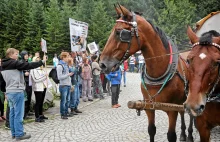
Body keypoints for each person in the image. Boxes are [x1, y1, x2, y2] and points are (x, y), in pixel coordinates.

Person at [1, 48, 46, 140]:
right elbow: (28, 65)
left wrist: (5, 91)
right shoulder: (14, 63)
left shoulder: (2, 65)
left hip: (9, 92)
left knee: (13, 113)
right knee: (18, 114)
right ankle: (19, 134)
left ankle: (14, 132)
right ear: (10, 55)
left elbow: (1, 82)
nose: (18, 56)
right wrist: (41, 62)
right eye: (16, 54)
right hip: (17, 91)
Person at [30, 57, 49, 122]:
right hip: (38, 88)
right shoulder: (33, 69)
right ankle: (37, 116)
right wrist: (44, 77)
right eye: (37, 61)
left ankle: (41, 114)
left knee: (41, 101)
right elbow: (36, 79)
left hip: (43, 87)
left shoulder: (41, 69)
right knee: (38, 102)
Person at [57, 52, 74, 119]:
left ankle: (66, 112)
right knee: (63, 100)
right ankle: (62, 113)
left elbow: (71, 72)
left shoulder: (66, 65)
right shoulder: (60, 66)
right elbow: (59, 77)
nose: (68, 58)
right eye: (67, 57)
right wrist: (68, 75)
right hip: (63, 85)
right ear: (63, 57)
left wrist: (71, 84)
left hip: (68, 84)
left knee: (68, 100)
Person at [19, 51, 33, 119]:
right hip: (24, 82)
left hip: (29, 81)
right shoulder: (21, 63)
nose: (27, 56)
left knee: (29, 97)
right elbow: (19, 72)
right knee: (26, 98)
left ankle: (27, 111)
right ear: (22, 55)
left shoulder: (27, 63)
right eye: (25, 55)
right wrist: (24, 74)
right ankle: (24, 114)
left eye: (27, 54)